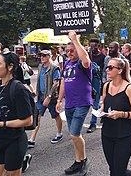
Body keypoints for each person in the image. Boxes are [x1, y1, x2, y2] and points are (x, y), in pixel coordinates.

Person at [0, 51, 33, 176]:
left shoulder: (18, 89)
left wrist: (1, 124)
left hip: (14, 141)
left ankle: (24, 160)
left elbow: (28, 120)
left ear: (10, 67)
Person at [56, 30, 92, 176]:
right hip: (69, 103)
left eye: (72, 50)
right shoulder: (67, 64)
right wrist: (59, 100)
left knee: (75, 134)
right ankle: (78, 161)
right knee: (73, 135)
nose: (70, 53)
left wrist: (75, 40)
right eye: (67, 51)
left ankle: (84, 161)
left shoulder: (82, 64)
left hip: (82, 102)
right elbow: (63, 83)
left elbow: (86, 60)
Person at [99, 58, 131, 176]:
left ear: (119, 71)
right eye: (107, 67)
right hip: (107, 133)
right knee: (113, 168)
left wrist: (121, 114)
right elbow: (104, 102)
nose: (107, 70)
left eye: (110, 68)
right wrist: (102, 109)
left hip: (124, 135)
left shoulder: (129, 88)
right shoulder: (106, 86)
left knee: (118, 171)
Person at [27, 50, 63, 147]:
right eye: (40, 56)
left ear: (49, 56)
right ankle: (32, 139)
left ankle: (59, 133)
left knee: (56, 115)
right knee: (37, 115)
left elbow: (56, 83)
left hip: (51, 97)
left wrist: (49, 96)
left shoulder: (54, 68)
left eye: (44, 55)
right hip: (41, 96)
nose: (42, 57)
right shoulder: (40, 66)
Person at [87, 38, 105, 133]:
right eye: (91, 46)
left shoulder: (103, 57)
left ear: (98, 46)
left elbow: (104, 70)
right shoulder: (88, 55)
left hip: (97, 81)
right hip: (87, 80)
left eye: (94, 46)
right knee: (92, 102)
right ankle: (102, 114)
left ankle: (93, 123)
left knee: (95, 102)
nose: (92, 48)